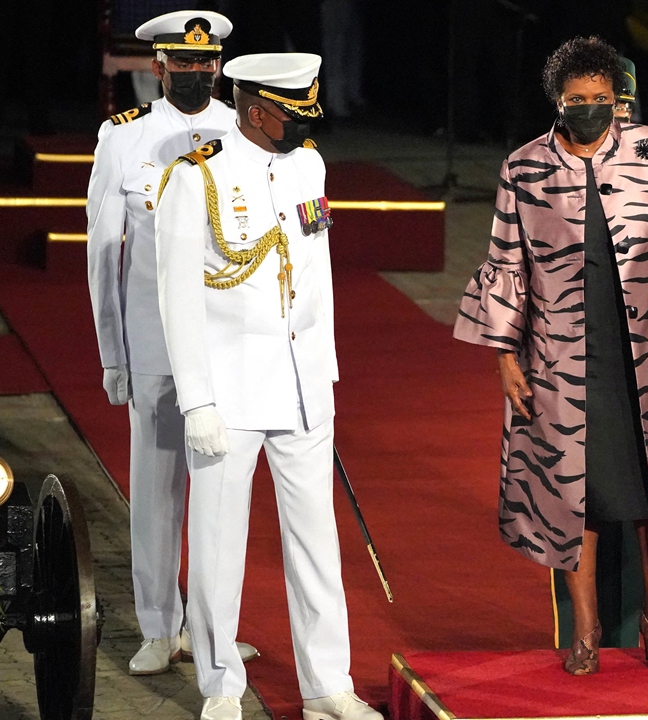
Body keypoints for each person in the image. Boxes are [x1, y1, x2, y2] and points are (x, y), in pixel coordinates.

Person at [453, 36, 648, 676]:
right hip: (561, 356)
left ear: (620, 100)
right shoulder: (523, 167)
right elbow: (507, 265)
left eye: (602, 99)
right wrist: (506, 359)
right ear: (557, 101)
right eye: (577, 100)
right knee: (571, 490)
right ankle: (584, 630)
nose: (590, 109)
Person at [155, 52, 381, 720]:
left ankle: (326, 686)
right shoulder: (197, 181)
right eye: (295, 113)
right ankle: (221, 685)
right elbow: (179, 301)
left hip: (303, 387)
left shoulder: (308, 167)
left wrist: (326, 371)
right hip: (227, 394)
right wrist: (195, 399)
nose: (307, 126)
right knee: (219, 547)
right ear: (258, 111)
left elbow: (318, 277)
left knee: (316, 542)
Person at [85, 9, 258, 676]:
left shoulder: (244, 133)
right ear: (157, 66)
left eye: (206, 61)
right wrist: (111, 352)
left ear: (219, 64)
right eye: (182, 63)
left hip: (227, 347)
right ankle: (160, 624)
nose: (195, 71)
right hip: (155, 342)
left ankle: (215, 633)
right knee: (156, 491)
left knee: (224, 497)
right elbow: (104, 253)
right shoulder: (123, 137)